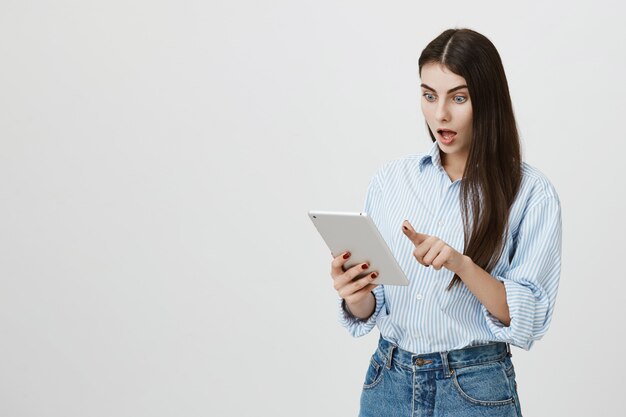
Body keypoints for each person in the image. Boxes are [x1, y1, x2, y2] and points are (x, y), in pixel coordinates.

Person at [329, 28, 561, 417]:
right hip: (388, 381)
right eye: (428, 95)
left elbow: (528, 320)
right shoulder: (391, 181)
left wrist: (462, 265)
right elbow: (375, 305)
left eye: (458, 97)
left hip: (474, 389)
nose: (440, 114)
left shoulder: (531, 192)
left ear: (487, 100)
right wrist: (355, 296)